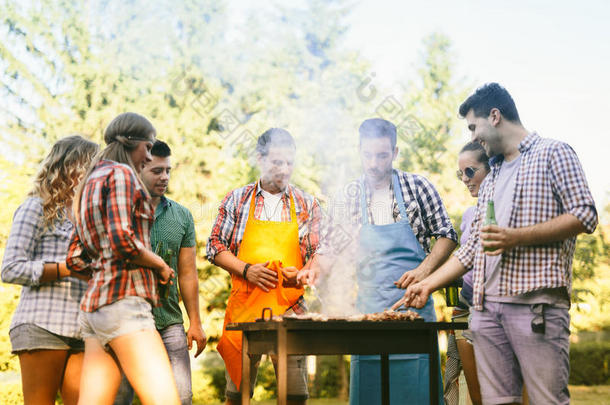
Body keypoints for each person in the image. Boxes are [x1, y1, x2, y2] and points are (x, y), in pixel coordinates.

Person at [395, 83, 598, 405]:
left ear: (495, 116)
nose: (474, 136)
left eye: (474, 127)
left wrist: (516, 237)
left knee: (546, 400)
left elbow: (586, 215)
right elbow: (470, 248)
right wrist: (428, 283)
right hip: (486, 312)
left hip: (536, 307)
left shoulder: (554, 152)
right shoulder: (493, 176)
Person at [303, 118, 458, 404]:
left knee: (419, 394)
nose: (374, 163)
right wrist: (311, 273)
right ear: (359, 151)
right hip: (368, 318)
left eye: (382, 155)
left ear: (395, 152)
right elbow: (329, 251)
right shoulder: (347, 197)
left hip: (415, 315)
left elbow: (448, 236)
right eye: (368, 155)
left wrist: (423, 270)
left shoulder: (418, 187)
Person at [66, 112, 180, 405]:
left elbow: (75, 259)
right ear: (133, 143)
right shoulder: (121, 174)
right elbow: (122, 241)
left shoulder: (90, 181)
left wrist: (104, 268)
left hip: (95, 309)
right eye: (148, 147)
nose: (149, 155)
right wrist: (160, 264)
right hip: (124, 304)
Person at [206, 128, 321, 405]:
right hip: (245, 310)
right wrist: (247, 270)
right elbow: (215, 246)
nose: (284, 169)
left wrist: (304, 273)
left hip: (290, 311)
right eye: (277, 162)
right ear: (260, 159)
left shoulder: (306, 203)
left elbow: (320, 253)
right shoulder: (237, 199)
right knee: (237, 397)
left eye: (289, 163)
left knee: (294, 397)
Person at [1, 136, 98, 405]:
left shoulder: (87, 215)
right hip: (42, 324)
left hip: (83, 328)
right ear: (71, 166)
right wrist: (66, 269)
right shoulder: (36, 208)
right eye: (92, 165)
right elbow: (10, 268)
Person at [113, 140, 207, 405]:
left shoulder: (182, 216)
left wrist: (196, 323)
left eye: (168, 170)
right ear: (139, 168)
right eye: (157, 171)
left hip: (169, 323)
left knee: (181, 397)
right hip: (125, 322)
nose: (164, 177)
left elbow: (188, 273)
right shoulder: (120, 212)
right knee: (120, 398)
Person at [444, 141, 489, 405]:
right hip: (465, 310)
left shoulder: (504, 207)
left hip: (496, 310)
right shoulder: (470, 214)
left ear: (490, 169)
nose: (464, 179)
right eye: (461, 173)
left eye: (470, 171)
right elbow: (466, 261)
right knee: (476, 397)